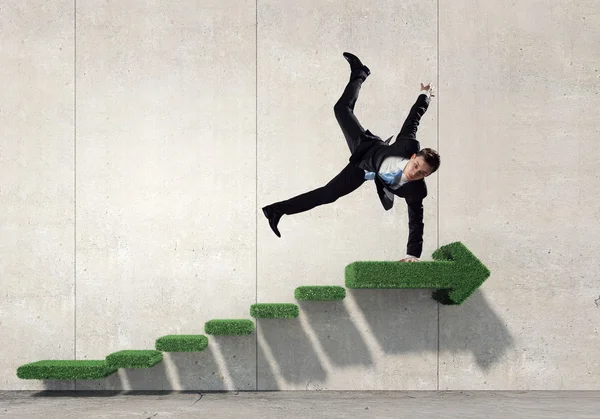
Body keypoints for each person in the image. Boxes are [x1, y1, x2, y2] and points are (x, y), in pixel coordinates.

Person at [262, 52, 440, 262]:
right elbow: (414, 118)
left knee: (328, 194)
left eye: (422, 174)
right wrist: (425, 96)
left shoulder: (417, 191)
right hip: (367, 149)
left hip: (363, 172)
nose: (415, 173)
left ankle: (276, 210)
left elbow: (416, 222)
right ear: (412, 156)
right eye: (416, 165)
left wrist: (413, 255)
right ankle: (359, 73)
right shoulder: (408, 143)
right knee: (341, 109)